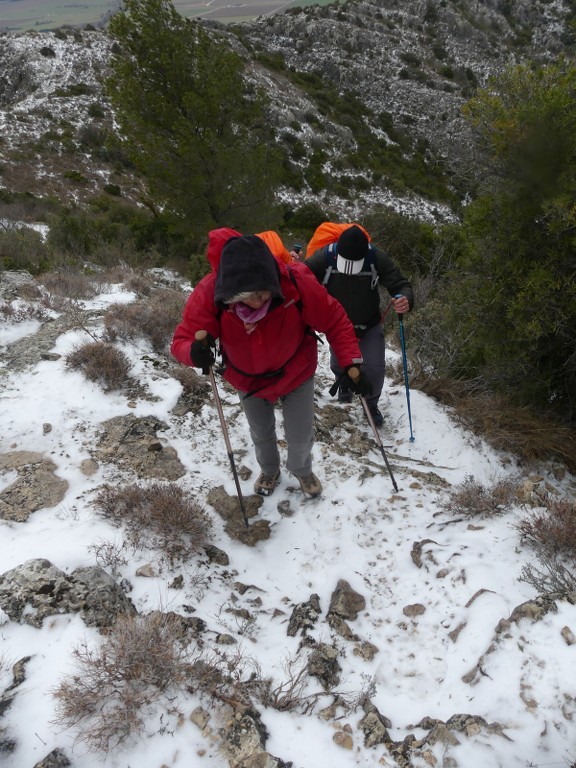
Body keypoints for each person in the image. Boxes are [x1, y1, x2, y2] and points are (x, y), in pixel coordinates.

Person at [171, 231, 370, 498]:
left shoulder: (295, 282)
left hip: (296, 371)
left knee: (300, 435)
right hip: (248, 378)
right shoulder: (210, 292)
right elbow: (182, 339)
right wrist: (194, 353)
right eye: (247, 297)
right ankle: (269, 470)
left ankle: (302, 470)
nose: (257, 302)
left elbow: (334, 319)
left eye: (263, 294)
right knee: (261, 432)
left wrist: (350, 362)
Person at [304, 224, 414, 427]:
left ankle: (370, 405)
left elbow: (399, 284)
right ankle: (344, 383)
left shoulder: (376, 258)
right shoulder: (324, 257)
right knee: (340, 362)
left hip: (369, 324)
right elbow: (301, 278)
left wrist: (404, 299)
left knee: (374, 368)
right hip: (337, 325)